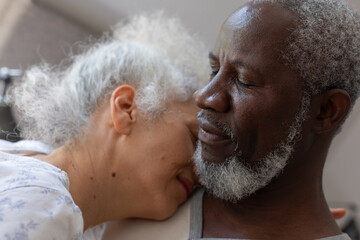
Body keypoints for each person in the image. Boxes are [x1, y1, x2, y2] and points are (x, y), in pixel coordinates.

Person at [84, 0, 360, 239]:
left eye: (243, 81)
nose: (205, 96)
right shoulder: (158, 186)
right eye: (214, 69)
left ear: (326, 110)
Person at [0, 13, 209, 239]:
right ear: (126, 108)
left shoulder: (27, 162)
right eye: (194, 138)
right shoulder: (44, 205)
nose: (201, 172)